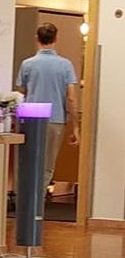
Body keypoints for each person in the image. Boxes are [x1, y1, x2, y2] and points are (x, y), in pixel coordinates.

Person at [16, 21, 80, 192]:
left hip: (29, 118)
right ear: (56, 38)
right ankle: (38, 204)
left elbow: (20, 94)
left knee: (29, 161)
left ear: (37, 38)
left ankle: (26, 200)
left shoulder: (27, 64)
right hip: (55, 119)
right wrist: (75, 126)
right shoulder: (65, 65)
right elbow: (71, 98)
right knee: (47, 165)